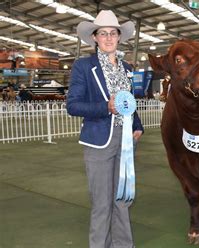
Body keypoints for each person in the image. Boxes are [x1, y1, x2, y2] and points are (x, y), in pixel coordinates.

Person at [66, 10, 143, 248]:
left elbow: (128, 102)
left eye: (113, 33)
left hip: (126, 139)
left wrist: (138, 125)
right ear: (95, 38)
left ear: (119, 37)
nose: (108, 38)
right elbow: (73, 105)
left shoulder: (126, 67)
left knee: (122, 200)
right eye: (103, 33)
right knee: (101, 203)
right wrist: (105, 107)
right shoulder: (83, 66)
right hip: (98, 141)